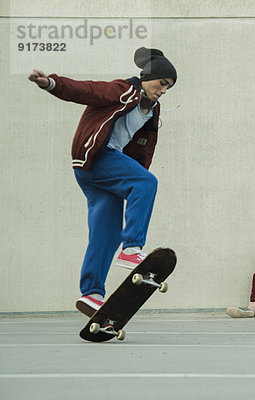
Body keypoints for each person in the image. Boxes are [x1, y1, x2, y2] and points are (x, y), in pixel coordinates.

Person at [28, 47, 177, 317]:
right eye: (162, 83)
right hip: (97, 157)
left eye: (169, 87)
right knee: (146, 183)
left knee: (105, 234)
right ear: (147, 77)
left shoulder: (153, 110)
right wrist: (52, 83)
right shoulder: (124, 90)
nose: (164, 91)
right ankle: (132, 248)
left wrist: (133, 175)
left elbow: (143, 149)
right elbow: (88, 90)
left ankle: (91, 294)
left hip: (99, 171)